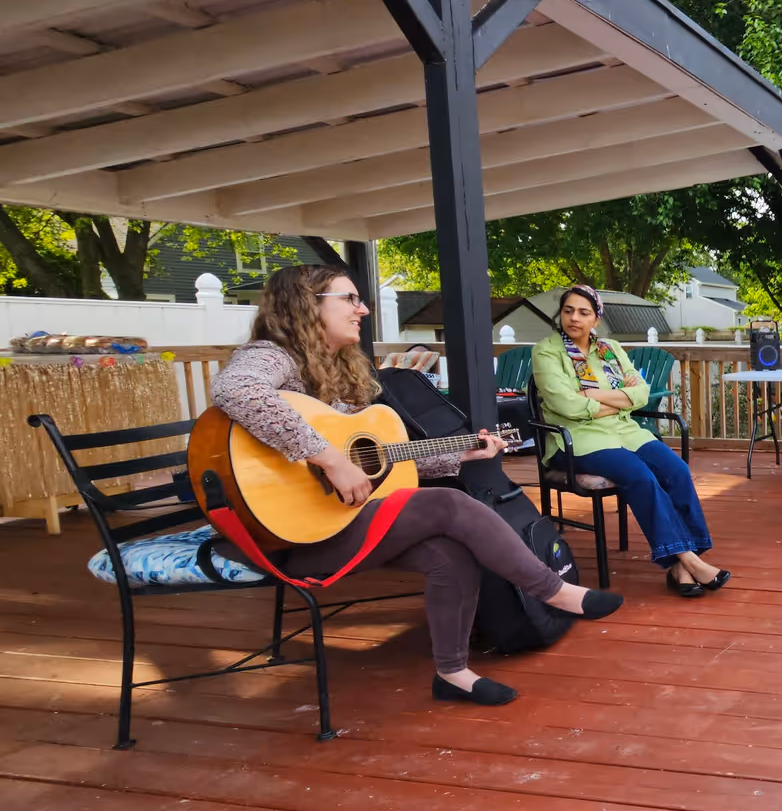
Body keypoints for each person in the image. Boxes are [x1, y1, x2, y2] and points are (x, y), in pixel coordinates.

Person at [209, 265, 623, 707]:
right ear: (306, 304)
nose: (362, 309)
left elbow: (377, 462)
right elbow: (237, 390)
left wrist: (458, 454)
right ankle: (552, 590)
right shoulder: (273, 356)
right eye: (349, 299)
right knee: (446, 503)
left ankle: (453, 672)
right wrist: (329, 459)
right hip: (280, 537)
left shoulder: (337, 371)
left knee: (451, 553)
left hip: (332, 523)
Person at [532, 285, 730, 597]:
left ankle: (681, 567)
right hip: (579, 439)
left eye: (583, 312)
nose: (574, 318)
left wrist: (594, 397)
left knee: (676, 470)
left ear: (596, 318)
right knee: (639, 475)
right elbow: (565, 405)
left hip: (624, 431)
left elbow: (640, 394)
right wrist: (615, 401)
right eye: (568, 310)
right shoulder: (547, 351)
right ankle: (689, 559)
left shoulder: (609, 349)